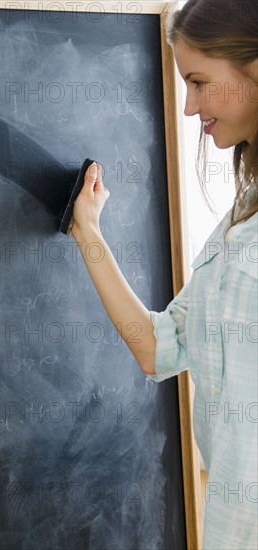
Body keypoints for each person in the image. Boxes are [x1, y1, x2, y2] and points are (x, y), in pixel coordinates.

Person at [70, 0, 258, 549]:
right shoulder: (235, 229)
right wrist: (88, 233)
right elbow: (157, 346)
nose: (188, 105)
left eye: (198, 82)